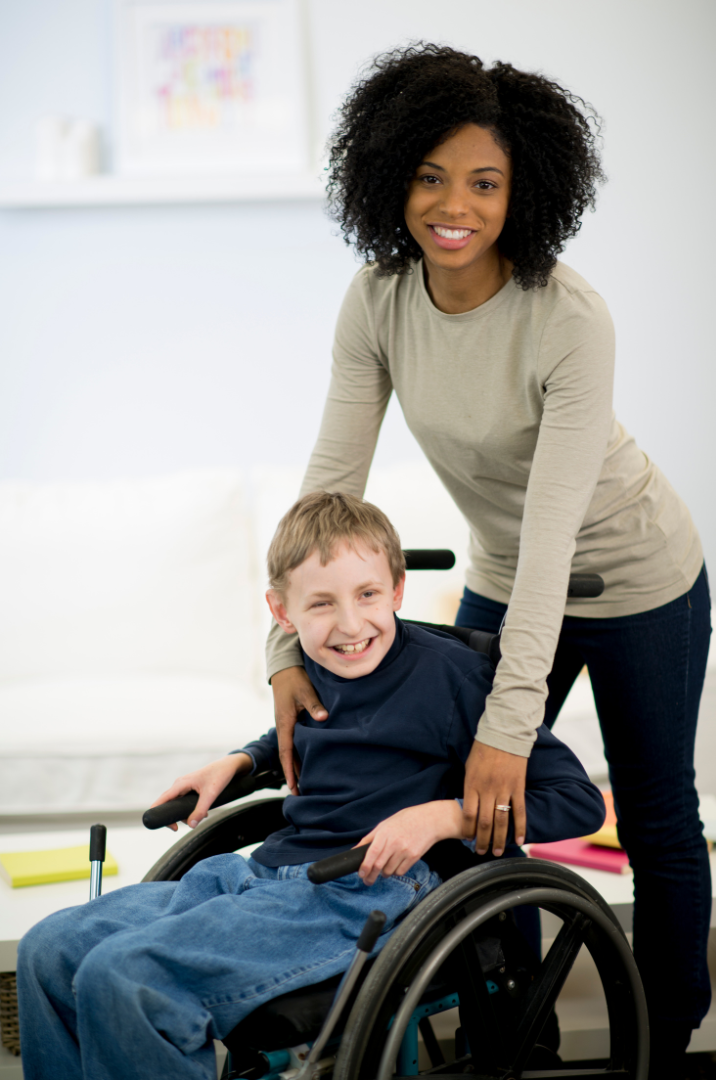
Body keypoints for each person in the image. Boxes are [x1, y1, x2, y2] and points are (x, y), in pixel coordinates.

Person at [265, 45, 712, 1079]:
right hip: (510, 570)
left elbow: (555, 528)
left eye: (483, 181)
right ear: (388, 178)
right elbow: (329, 483)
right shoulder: (376, 301)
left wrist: (509, 727)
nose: (451, 205)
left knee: (651, 813)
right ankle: (509, 1031)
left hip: (637, 574)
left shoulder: (566, 317)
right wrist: (284, 643)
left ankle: (665, 1043)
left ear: (526, 192)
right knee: (464, 798)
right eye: (427, 175)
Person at [17, 492, 605, 1080]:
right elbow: (323, 740)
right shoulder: (311, 668)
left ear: (398, 589)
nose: (351, 625)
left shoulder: (455, 681)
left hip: (362, 895)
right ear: (282, 612)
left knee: (124, 977)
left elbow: (575, 800)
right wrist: (243, 762)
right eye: (321, 603)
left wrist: (439, 818)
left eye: (368, 594)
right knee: (46, 949)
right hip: (266, 878)